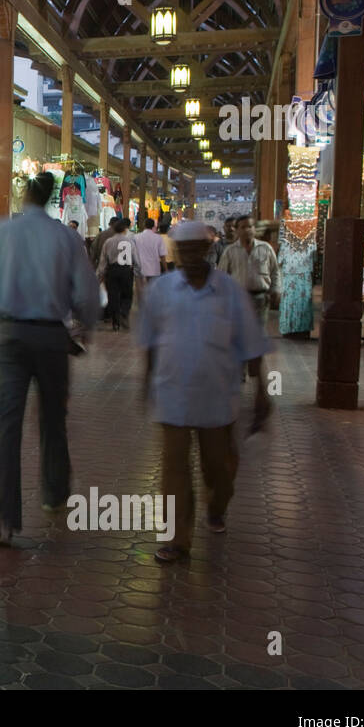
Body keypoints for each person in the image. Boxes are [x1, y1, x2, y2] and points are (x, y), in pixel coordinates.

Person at [0, 172, 101, 544]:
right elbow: (87, 294)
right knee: (53, 418)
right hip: (51, 338)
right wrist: (84, 330)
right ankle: (53, 495)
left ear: (23, 197)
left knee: (6, 426)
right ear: (52, 199)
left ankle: (3, 521)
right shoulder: (65, 237)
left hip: (10, 337)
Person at [137, 221, 270, 564]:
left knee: (220, 469)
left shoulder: (229, 291)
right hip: (173, 394)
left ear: (208, 250)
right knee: (174, 471)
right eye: (184, 250)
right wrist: (145, 383)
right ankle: (176, 539)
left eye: (197, 249)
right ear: (177, 253)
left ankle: (217, 506)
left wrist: (262, 393)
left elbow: (251, 346)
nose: (191, 256)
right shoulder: (162, 291)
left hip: (217, 396)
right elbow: (150, 342)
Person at [217, 214, 280, 328]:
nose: (247, 230)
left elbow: (275, 271)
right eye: (243, 227)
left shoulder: (265, 248)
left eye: (250, 226)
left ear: (254, 229)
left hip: (260, 299)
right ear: (237, 230)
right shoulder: (230, 251)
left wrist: (275, 290)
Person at [96, 217, 138, 330]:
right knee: (127, 294)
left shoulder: (108, 242)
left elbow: (103, 260)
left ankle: (115, 320)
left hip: (113, 270)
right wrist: (139, 271)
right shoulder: (130, 241)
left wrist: (99, 275)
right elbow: (135, 258)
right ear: (124, 229)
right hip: (126, 270)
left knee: (113, 295)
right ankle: (124, 312)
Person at [133, 216, 167, 303]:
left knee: (140, 290)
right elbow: (162, 255)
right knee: (152, 290)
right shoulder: (158, 238)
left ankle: (142, 307)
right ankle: (151, 306)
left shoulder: (136, 237)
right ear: (153, 226)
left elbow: (132, 253)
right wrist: (166, 269)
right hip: (154, 268)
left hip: (140, 267)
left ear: (144, 225)